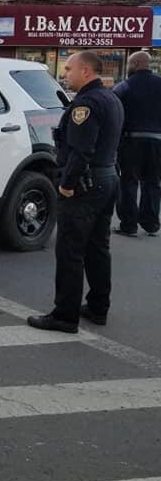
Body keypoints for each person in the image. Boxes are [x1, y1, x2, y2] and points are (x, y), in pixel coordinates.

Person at [28, 51, 123, 333]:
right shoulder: (111, 98)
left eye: (69, 69)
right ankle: (98, 306)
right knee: (97, 247)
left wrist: (67, 184)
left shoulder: (87, 104)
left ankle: (64, 315)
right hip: (107, 178)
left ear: (86, 71)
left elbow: (82, 150)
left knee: (70, 250)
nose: (65, 74)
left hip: (85, 183)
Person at [113, 51, 161, 237]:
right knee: (152, 182)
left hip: (131, 140)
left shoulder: (125, 85)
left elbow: (113, 104)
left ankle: (129, 225)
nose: (128, 67)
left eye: (130, 63)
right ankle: (151, 224)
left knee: (129, 181)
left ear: (136, 64)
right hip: (157, 141)